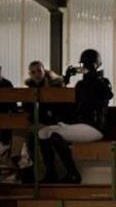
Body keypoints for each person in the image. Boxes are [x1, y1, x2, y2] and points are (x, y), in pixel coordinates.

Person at [36, 49, 112, 184]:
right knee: (43, 132)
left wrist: (91, 74)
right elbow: (73, 103)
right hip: (80, 124)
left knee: (54, 134)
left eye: (86, 64)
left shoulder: (102, 82)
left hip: (94, 127)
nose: (83, 67)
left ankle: (73, 174)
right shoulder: (81, 84)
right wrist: (66, 78)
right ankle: (51, 173)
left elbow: (105, 95)